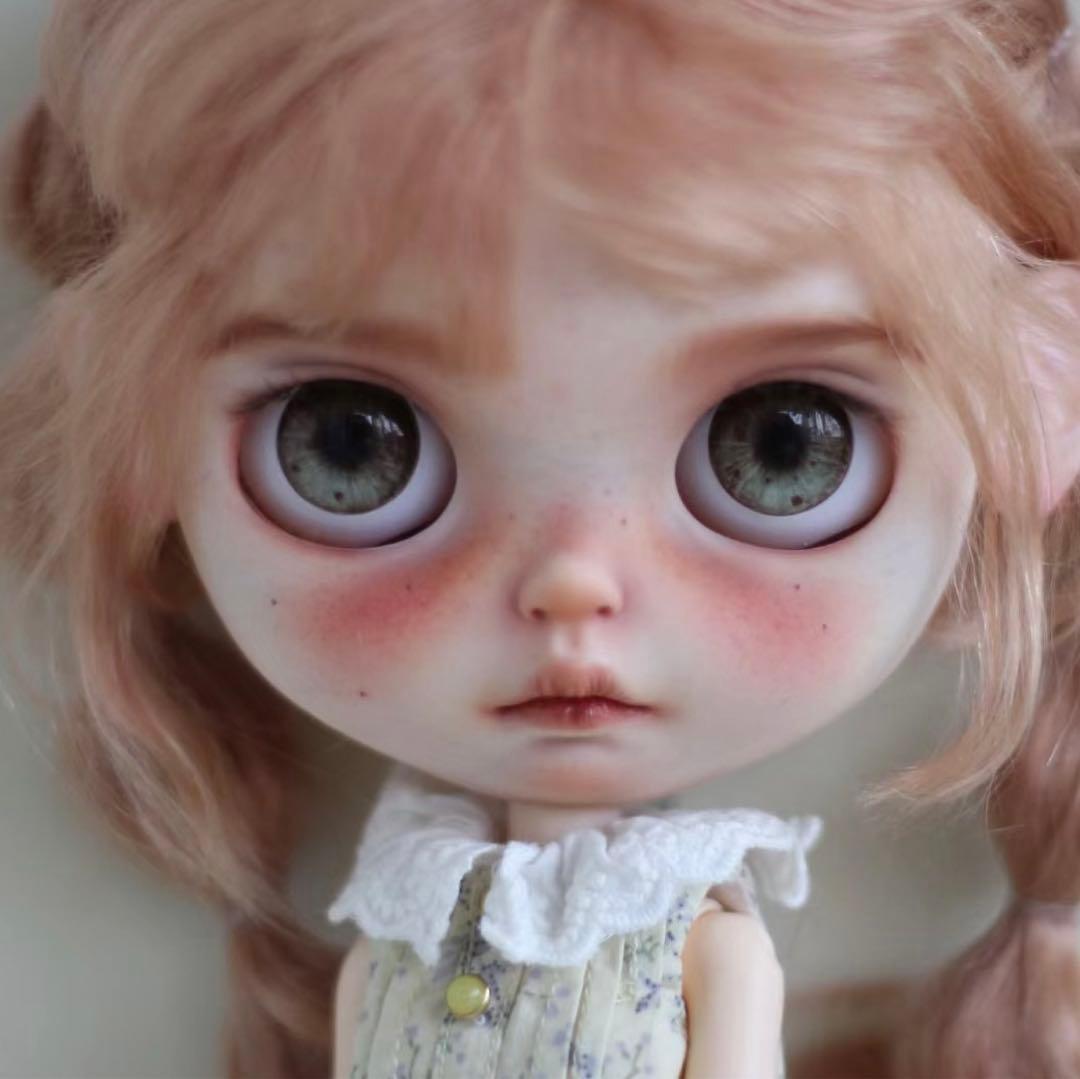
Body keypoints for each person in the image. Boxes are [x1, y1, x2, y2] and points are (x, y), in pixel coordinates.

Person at [2, 1, 1080, 1076]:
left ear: (1043, 401)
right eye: (349, 446)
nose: (573, 584)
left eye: (779, 446)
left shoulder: (703, 944)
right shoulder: (400, 930)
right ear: (121, 423)